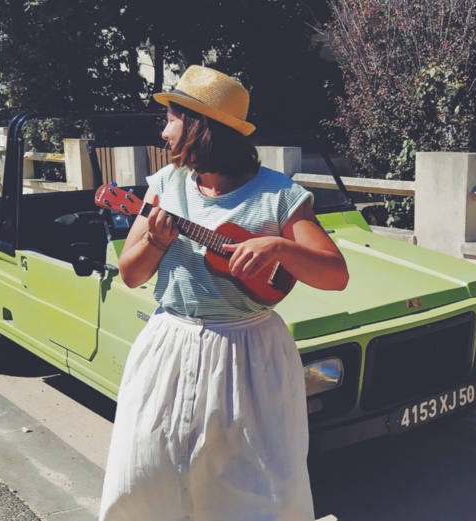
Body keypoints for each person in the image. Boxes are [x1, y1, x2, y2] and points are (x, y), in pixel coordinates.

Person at [99, 65, 349, 521]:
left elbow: (335, 274)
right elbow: (131, 275)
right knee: (148, 474)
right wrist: (156, 240)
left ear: (198, 126)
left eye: (171, 118)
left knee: (254, 489)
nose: (163, 131)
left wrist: (277, 245)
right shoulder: (164, 187)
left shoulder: (278, 194)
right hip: (169, 348)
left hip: (250, 354)